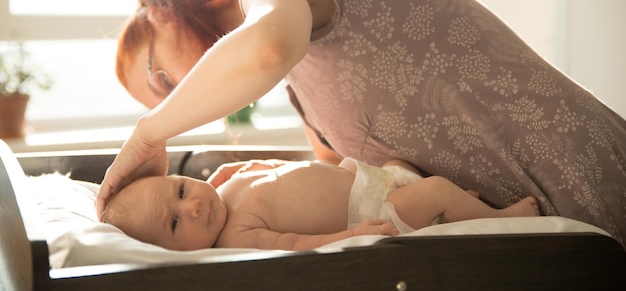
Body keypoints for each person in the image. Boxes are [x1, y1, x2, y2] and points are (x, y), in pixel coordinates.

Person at [96, 0, 626, 247]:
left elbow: (265, 48)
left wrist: (153, 130)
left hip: (560, 155)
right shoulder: (302, 87)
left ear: (159, 9)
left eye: (161, 79)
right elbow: (328, 183)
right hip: (527, 211)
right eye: (160, 100)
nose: (181, 96)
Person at [101, 157, 540, 251]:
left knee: (401, 166)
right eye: (176, 224)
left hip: (369, 178)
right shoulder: (237, 235)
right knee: (436, 189)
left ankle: (456, 210)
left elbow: (273, 169)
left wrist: (245, 165)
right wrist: (352, 235)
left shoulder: (221, 184)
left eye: (180, 191)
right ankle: (503, 218)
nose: (193, 206)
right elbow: (295, 243)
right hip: (370, 212)